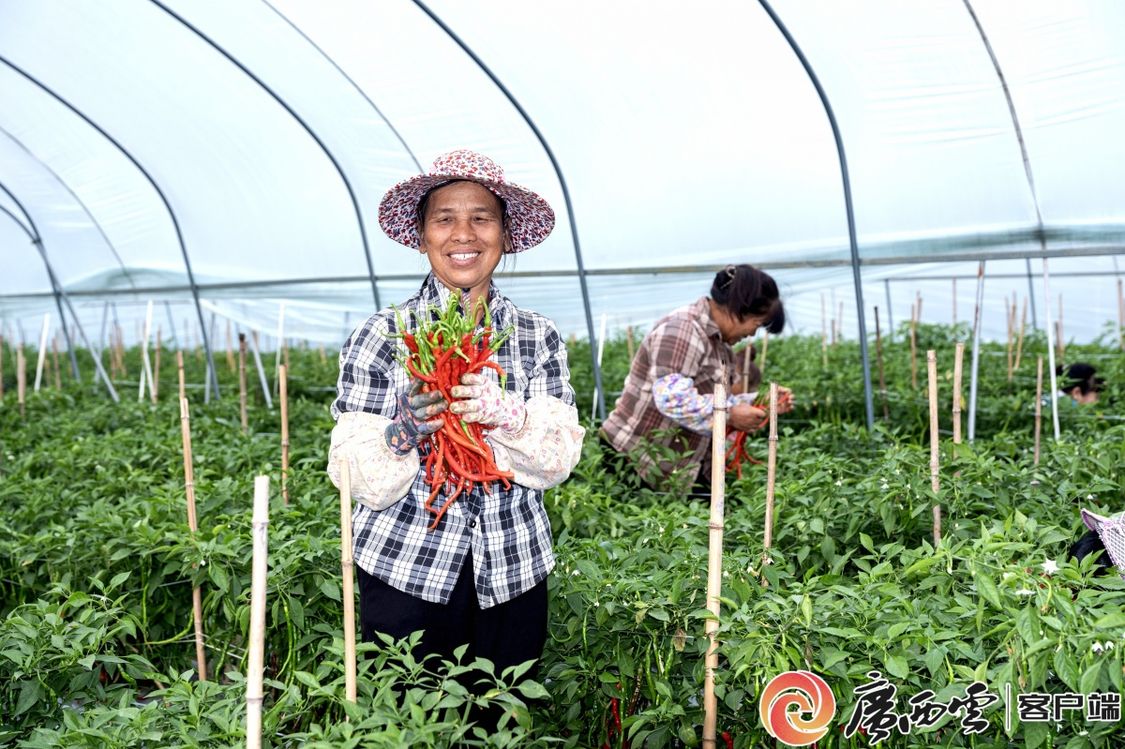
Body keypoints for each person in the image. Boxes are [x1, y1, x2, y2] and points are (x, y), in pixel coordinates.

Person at [327, 150, 585, 685]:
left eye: (481, 218)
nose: (463, 234)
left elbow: (558, 459)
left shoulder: (536, 335)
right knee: (408, 714)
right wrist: (400, 432)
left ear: (505, 235)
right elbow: (352, 473)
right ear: (423, 236)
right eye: (444, 219)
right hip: (405, 567)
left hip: (513, 569)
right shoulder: (382, 334)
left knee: (501, 711)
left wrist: (508, 416)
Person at [600, 264, 790, 495]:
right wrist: (730, 413)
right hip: (633, 461)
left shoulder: (720, 344)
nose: (752, 334)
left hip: (677, 466)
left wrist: (759, 402)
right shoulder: (682, 330)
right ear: (738, 308)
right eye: (756, 324)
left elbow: (714, 399)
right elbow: (673, 399)